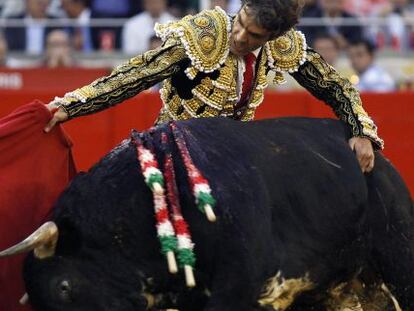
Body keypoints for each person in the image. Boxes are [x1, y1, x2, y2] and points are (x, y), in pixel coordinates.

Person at [46, 0, 383, 173]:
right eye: (240, 23)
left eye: (253, 36)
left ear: (273, 38)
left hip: (232, 155)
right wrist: (71, 106)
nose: (239, 37)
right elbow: (138, 74)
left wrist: (359, 130)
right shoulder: (206, 31)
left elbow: (335, 84)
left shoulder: (284, 45)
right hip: (172, 148)